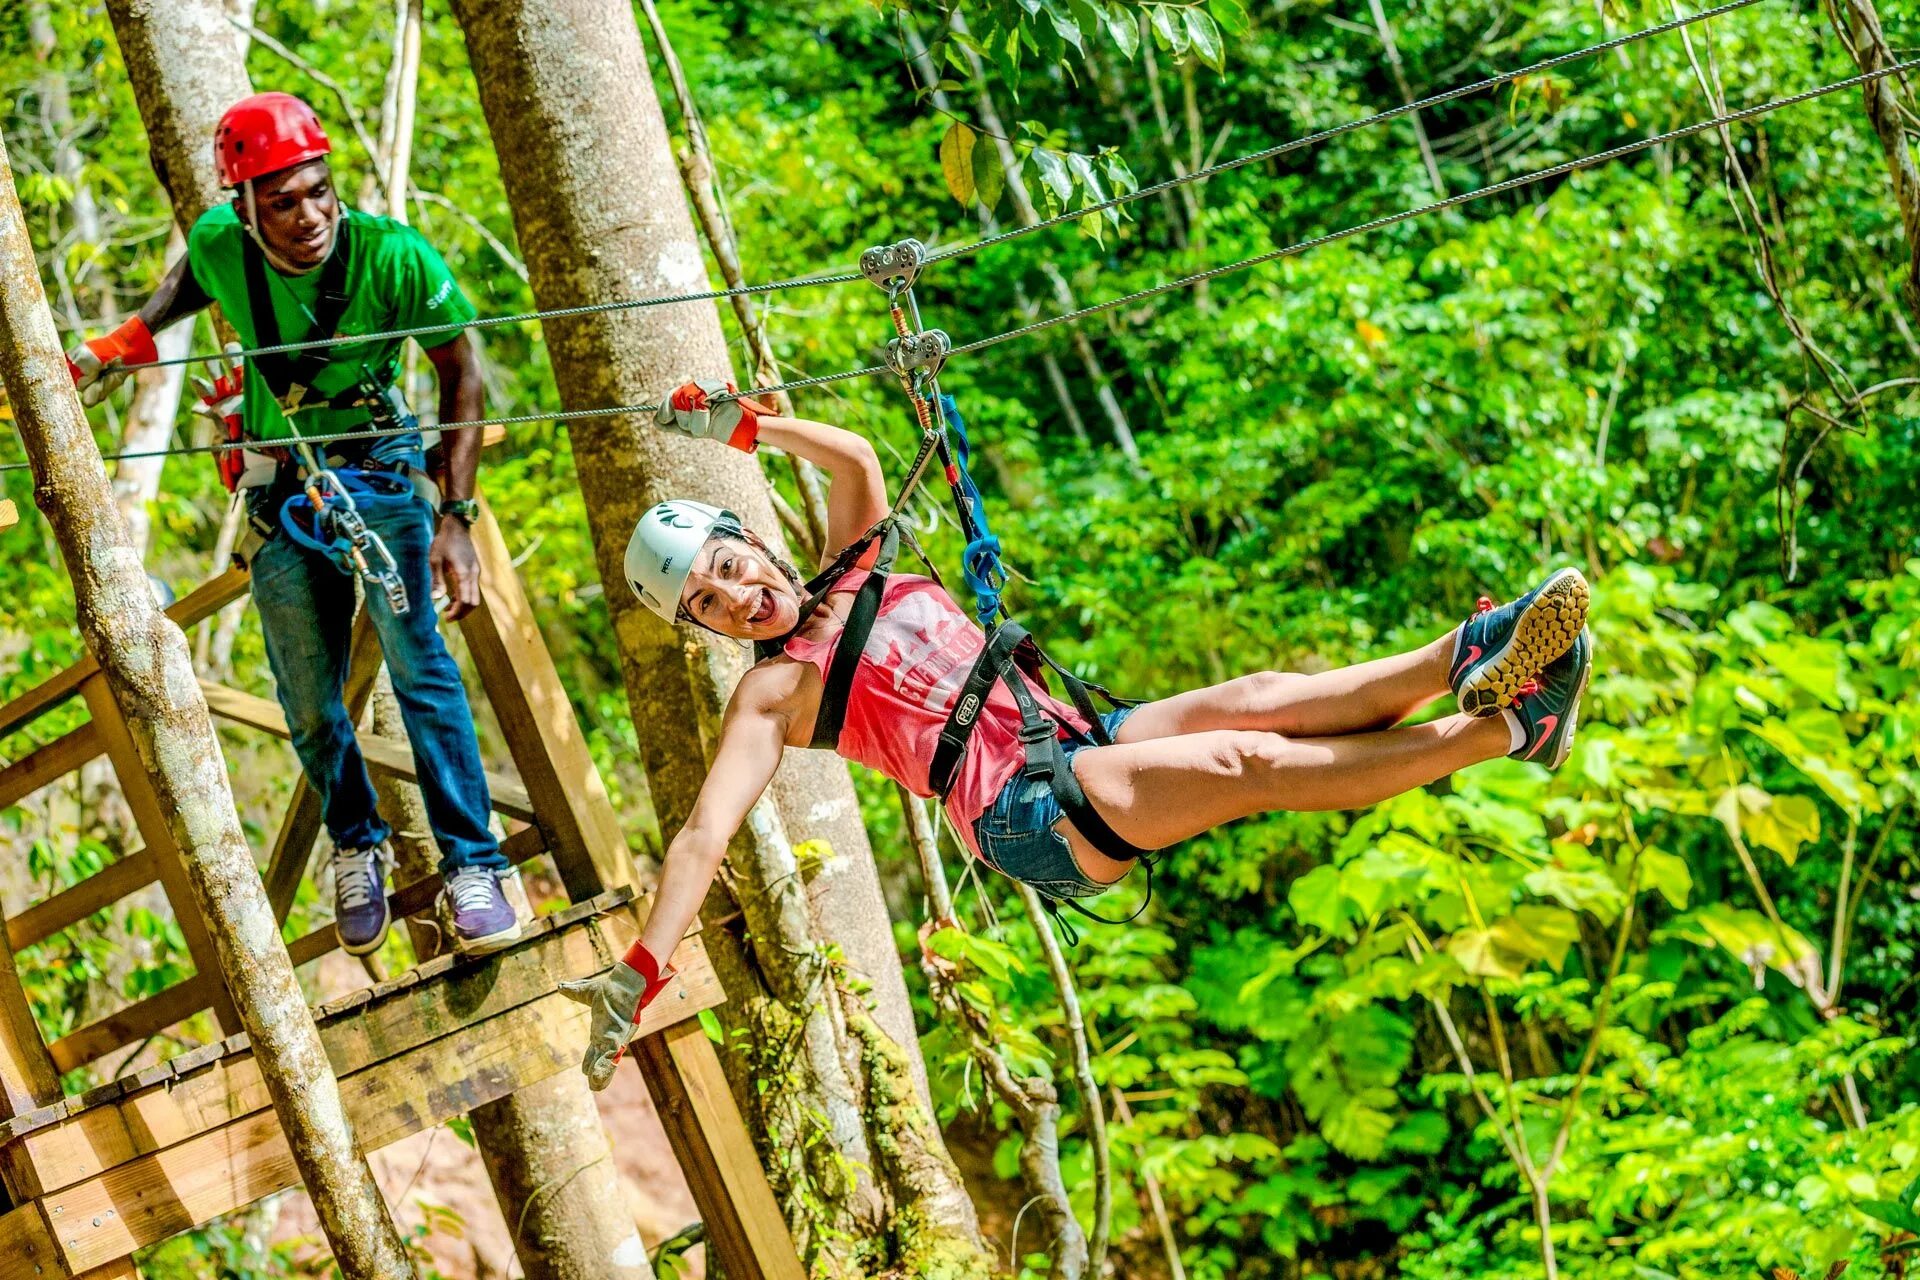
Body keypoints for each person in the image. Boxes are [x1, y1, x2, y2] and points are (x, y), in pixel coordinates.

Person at [558, 381, 1594, 1087]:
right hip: (1023, 810)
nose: (738, 597)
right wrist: (641, 964)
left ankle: (1473, 648)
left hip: (1074, 730)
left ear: (750, 543)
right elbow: (704, 834)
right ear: (705, 630)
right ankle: (1510, 727)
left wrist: (742, 426)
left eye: (729, 567)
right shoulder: (771, 695)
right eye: (708, 604)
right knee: (1249, 761)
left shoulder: (854, 562)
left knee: (1270, 693)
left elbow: (856, 454)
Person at [65, 92, 518, 955]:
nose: (308, 216)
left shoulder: (394, 257)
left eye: (318, 191)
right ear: (245, 206)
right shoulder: (220, 246)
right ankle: (357, 846)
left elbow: (462, 376)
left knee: (422, 670)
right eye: (282, 202)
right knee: (308, 701)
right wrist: (124, 341)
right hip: (283, 493)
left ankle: (475, 865)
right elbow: (191, 279)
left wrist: (456, 515)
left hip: (383, 476)